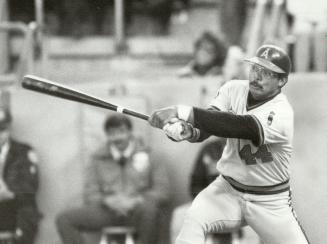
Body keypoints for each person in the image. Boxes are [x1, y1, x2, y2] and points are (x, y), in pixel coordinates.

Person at [148, 44, 310, 244]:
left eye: (267, 73)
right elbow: (209, 124)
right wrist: (186, 131)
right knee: (193, 219)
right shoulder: (232, 89)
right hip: (228, 189)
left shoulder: (281, 112)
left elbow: (239, 126)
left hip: (269, 200)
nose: (257, 77)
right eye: (255, 69)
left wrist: (181, 111)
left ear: (281, 81)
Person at [56, 114, 170, 244]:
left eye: (121, 131)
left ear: (130, 132)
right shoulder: (97, 158)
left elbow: (163, 191)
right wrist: (108, 201)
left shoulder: (151, 155)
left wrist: (136, 200)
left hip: (139, 210)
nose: (117, 137)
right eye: (111, 133)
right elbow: (90, 193)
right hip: (108, 212)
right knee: (64, 219)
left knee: (152, 212)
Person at [170, 138, 234, 244]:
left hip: (241, 201)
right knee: (180, 214)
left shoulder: (250, 148)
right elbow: (195, 184)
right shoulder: (209, 149)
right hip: (210, 200)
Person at [0, 108, 41, 244]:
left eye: (1, 129)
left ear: (9, 128)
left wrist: (10, 193)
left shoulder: (23, 152)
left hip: (15, 208)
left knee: (27, 209)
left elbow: (30, 186)